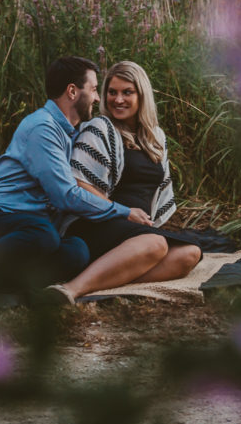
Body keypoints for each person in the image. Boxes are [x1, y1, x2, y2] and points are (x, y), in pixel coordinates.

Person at [0, 56, 153, 311]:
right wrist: (122, 211)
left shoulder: (70, 133)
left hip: (23, 232)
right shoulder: (42, 128)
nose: (97, 98)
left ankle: (0, 293)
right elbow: (65, 195)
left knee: (76, 250)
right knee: (44, 234)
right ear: (72, 91)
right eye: (92, 90)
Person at [43, 61, 203, 305]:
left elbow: (159, 191)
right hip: (99, 224)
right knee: (157, 243)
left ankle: (102, 279)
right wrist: (123, 212)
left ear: (142, 95)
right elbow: (77, 182)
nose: (118, 99)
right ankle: (70, 290)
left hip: (132, 231)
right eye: (112, 92)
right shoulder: (99, 128)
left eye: (127, 92)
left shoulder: (156, 137)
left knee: (189, 254)